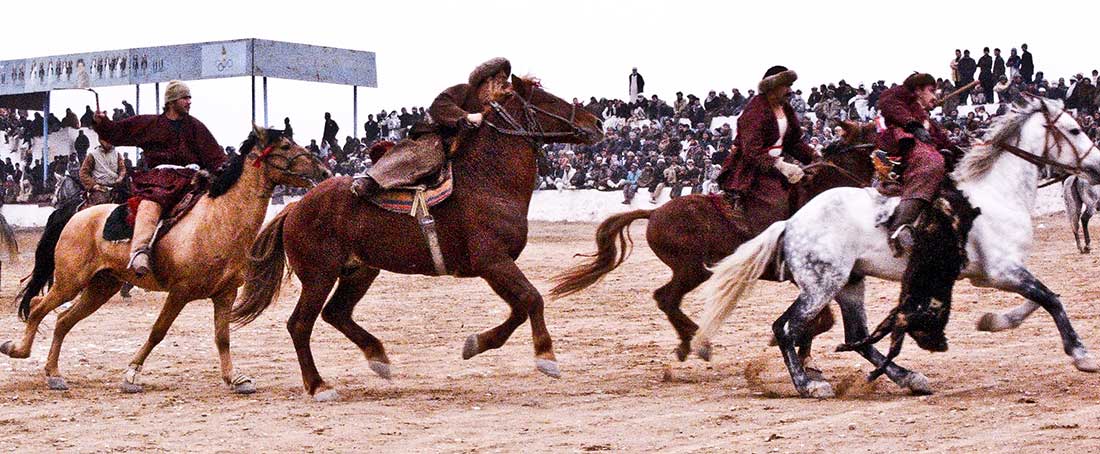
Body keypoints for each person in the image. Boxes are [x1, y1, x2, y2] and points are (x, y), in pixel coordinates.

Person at [91, 80, 226, 277]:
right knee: (151, 204)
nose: (189, 102)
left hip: (192, 179)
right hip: (161, 180)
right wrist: (102, 123)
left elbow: (215, 157)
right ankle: (139, 252)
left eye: (190, 98)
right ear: (172, 101)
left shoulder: (196, 127)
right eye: (185, 98)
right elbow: (118, 132)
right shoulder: (150, 124)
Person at [350, 57, 513, 198]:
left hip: (466, 144)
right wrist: (466, 116)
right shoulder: (465, 89)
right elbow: (440, 104)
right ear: (487, 80)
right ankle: (371, 180)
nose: (503, 84)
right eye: (499, 79)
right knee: (429, 156)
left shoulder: (494, 107)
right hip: (437, 136)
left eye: (505, 80)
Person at [716, 65, 814, 229]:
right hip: (751, 170)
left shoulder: (786, 109)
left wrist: (815, 156)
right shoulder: (755, 110)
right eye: (786, 86)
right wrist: (778, 164)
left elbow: (794, 142)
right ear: (772, 87)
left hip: (778, 167)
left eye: (790, 86)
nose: (790, 91)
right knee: (777, 204)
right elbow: (751, 152)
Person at [875, 72, 956, 254]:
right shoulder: (901, 96)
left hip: (921, 151)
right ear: (918, 90)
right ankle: (898, 227)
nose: (935, 96)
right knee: (932, 162)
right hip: (902, 150)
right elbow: (887, 103)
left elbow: (945, 142)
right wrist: (913, 126)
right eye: (931, 91)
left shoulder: (927, 120)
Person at [79, 138, 128, 206]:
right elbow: (83, 173)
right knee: (100, 208)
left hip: (116, 187)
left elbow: (122, 169)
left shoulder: (117, 154)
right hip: (100, 189)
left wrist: (120, 177)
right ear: (101, 141)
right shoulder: (93, 155)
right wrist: (93, 185)